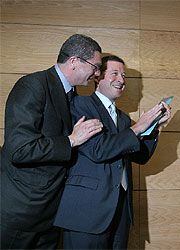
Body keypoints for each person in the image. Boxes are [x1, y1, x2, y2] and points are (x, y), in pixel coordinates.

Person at [54, 55, 171, 249]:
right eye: (115, 73)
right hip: (86, 213)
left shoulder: (124, 119)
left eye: (124, 75)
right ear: (98, 77)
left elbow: (140, 156)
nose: (121, 80)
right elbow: (98, 150)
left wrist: (154, 128)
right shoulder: (81, 105)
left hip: (120, 211)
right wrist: (138, 128)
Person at [1, 34, 104, 249]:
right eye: (95, 67)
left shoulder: (74, 96)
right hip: (21, 213)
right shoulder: (33, 85)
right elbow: (19, 149)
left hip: (52, 215)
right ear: (75, 61)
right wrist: (71, 140)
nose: (97, 74)